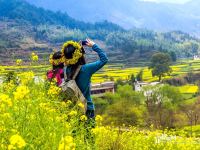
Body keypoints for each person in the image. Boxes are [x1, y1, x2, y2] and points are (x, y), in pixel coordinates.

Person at [62, 39, 108, 119]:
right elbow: (104, 59)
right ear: (79, 54)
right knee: (89, 130)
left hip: (73, 109)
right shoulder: (86, 69)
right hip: (87, 109)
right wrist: (94, 46)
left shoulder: (66, 70)